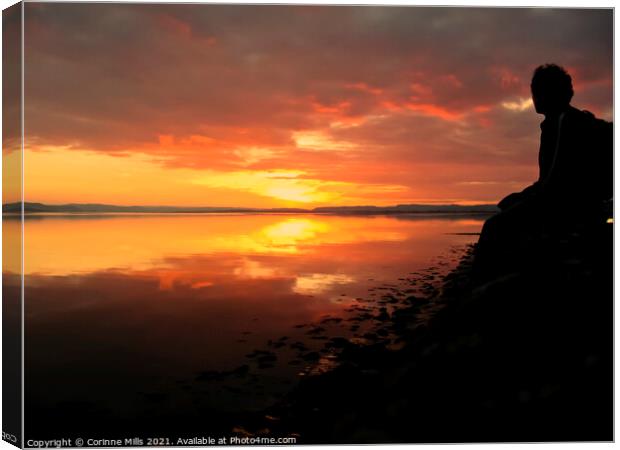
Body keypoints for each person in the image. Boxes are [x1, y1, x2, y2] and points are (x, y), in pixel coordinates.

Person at [474, 64, 612, 279]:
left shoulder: (567, 123)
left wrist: (524, 197)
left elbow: (556, 182)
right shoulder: (557, 123)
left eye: (538, 92)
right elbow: (549, 179)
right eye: (534, 92)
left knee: (493, 227)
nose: (534, 98)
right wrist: (524, 195)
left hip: (569, 207)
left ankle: (482, 284)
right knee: (508, 212)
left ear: (553, 93)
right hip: (570, 203)